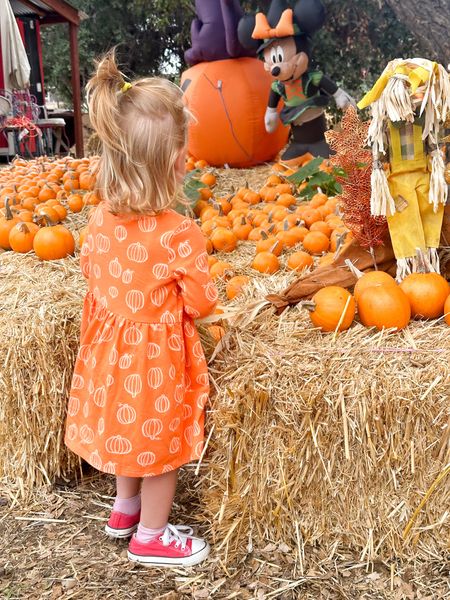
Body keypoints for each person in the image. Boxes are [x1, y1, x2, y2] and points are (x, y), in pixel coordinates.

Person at [65, 49, 218, 568]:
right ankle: (151, 535)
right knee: (162, 445)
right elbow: (200, 301)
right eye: (183, 151)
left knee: (129, 425)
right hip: (155, 361)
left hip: (110, 354)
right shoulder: (181, 234)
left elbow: (91, 271)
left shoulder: (101, 219)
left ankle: (124, 507)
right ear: (173, 163)